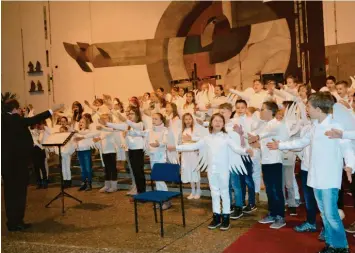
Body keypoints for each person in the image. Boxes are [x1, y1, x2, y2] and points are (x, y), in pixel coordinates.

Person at [267, 92, 354, 253]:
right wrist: (280, 145)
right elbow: (302, 141)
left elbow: (347, 148)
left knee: (331, 213)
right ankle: (331, 243)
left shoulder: (335, 126)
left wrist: (350, 165)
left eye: (309, 106)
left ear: (319, 109)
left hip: (329, 177)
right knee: (324, 213)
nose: (306, 109)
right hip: (316, 176)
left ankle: (342, 247)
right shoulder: (314, 126)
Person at [168, 113, 252, 231]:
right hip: (211, 171)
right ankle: (216, 216)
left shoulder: (226, 137)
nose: (217, 122)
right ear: (211, 123)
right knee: (214, 193)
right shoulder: (207, 138)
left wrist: (246, 151)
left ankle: (226, 217)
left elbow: (237, 149)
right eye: (215, 120)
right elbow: (193, 146)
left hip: (223, 171)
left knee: (224, 194)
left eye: (220, 121)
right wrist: (177, 147)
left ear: (223, 124)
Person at [1, 99, 63, 231]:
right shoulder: (14, 119)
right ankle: (17, 221)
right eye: (19, 109)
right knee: (19, 194)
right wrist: (52, 110)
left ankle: (11, 221)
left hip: (7, 165)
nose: (20, 111)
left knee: (9, 194)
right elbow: (33, 119)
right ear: (14, 109)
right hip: (18, 164)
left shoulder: (3, 120)